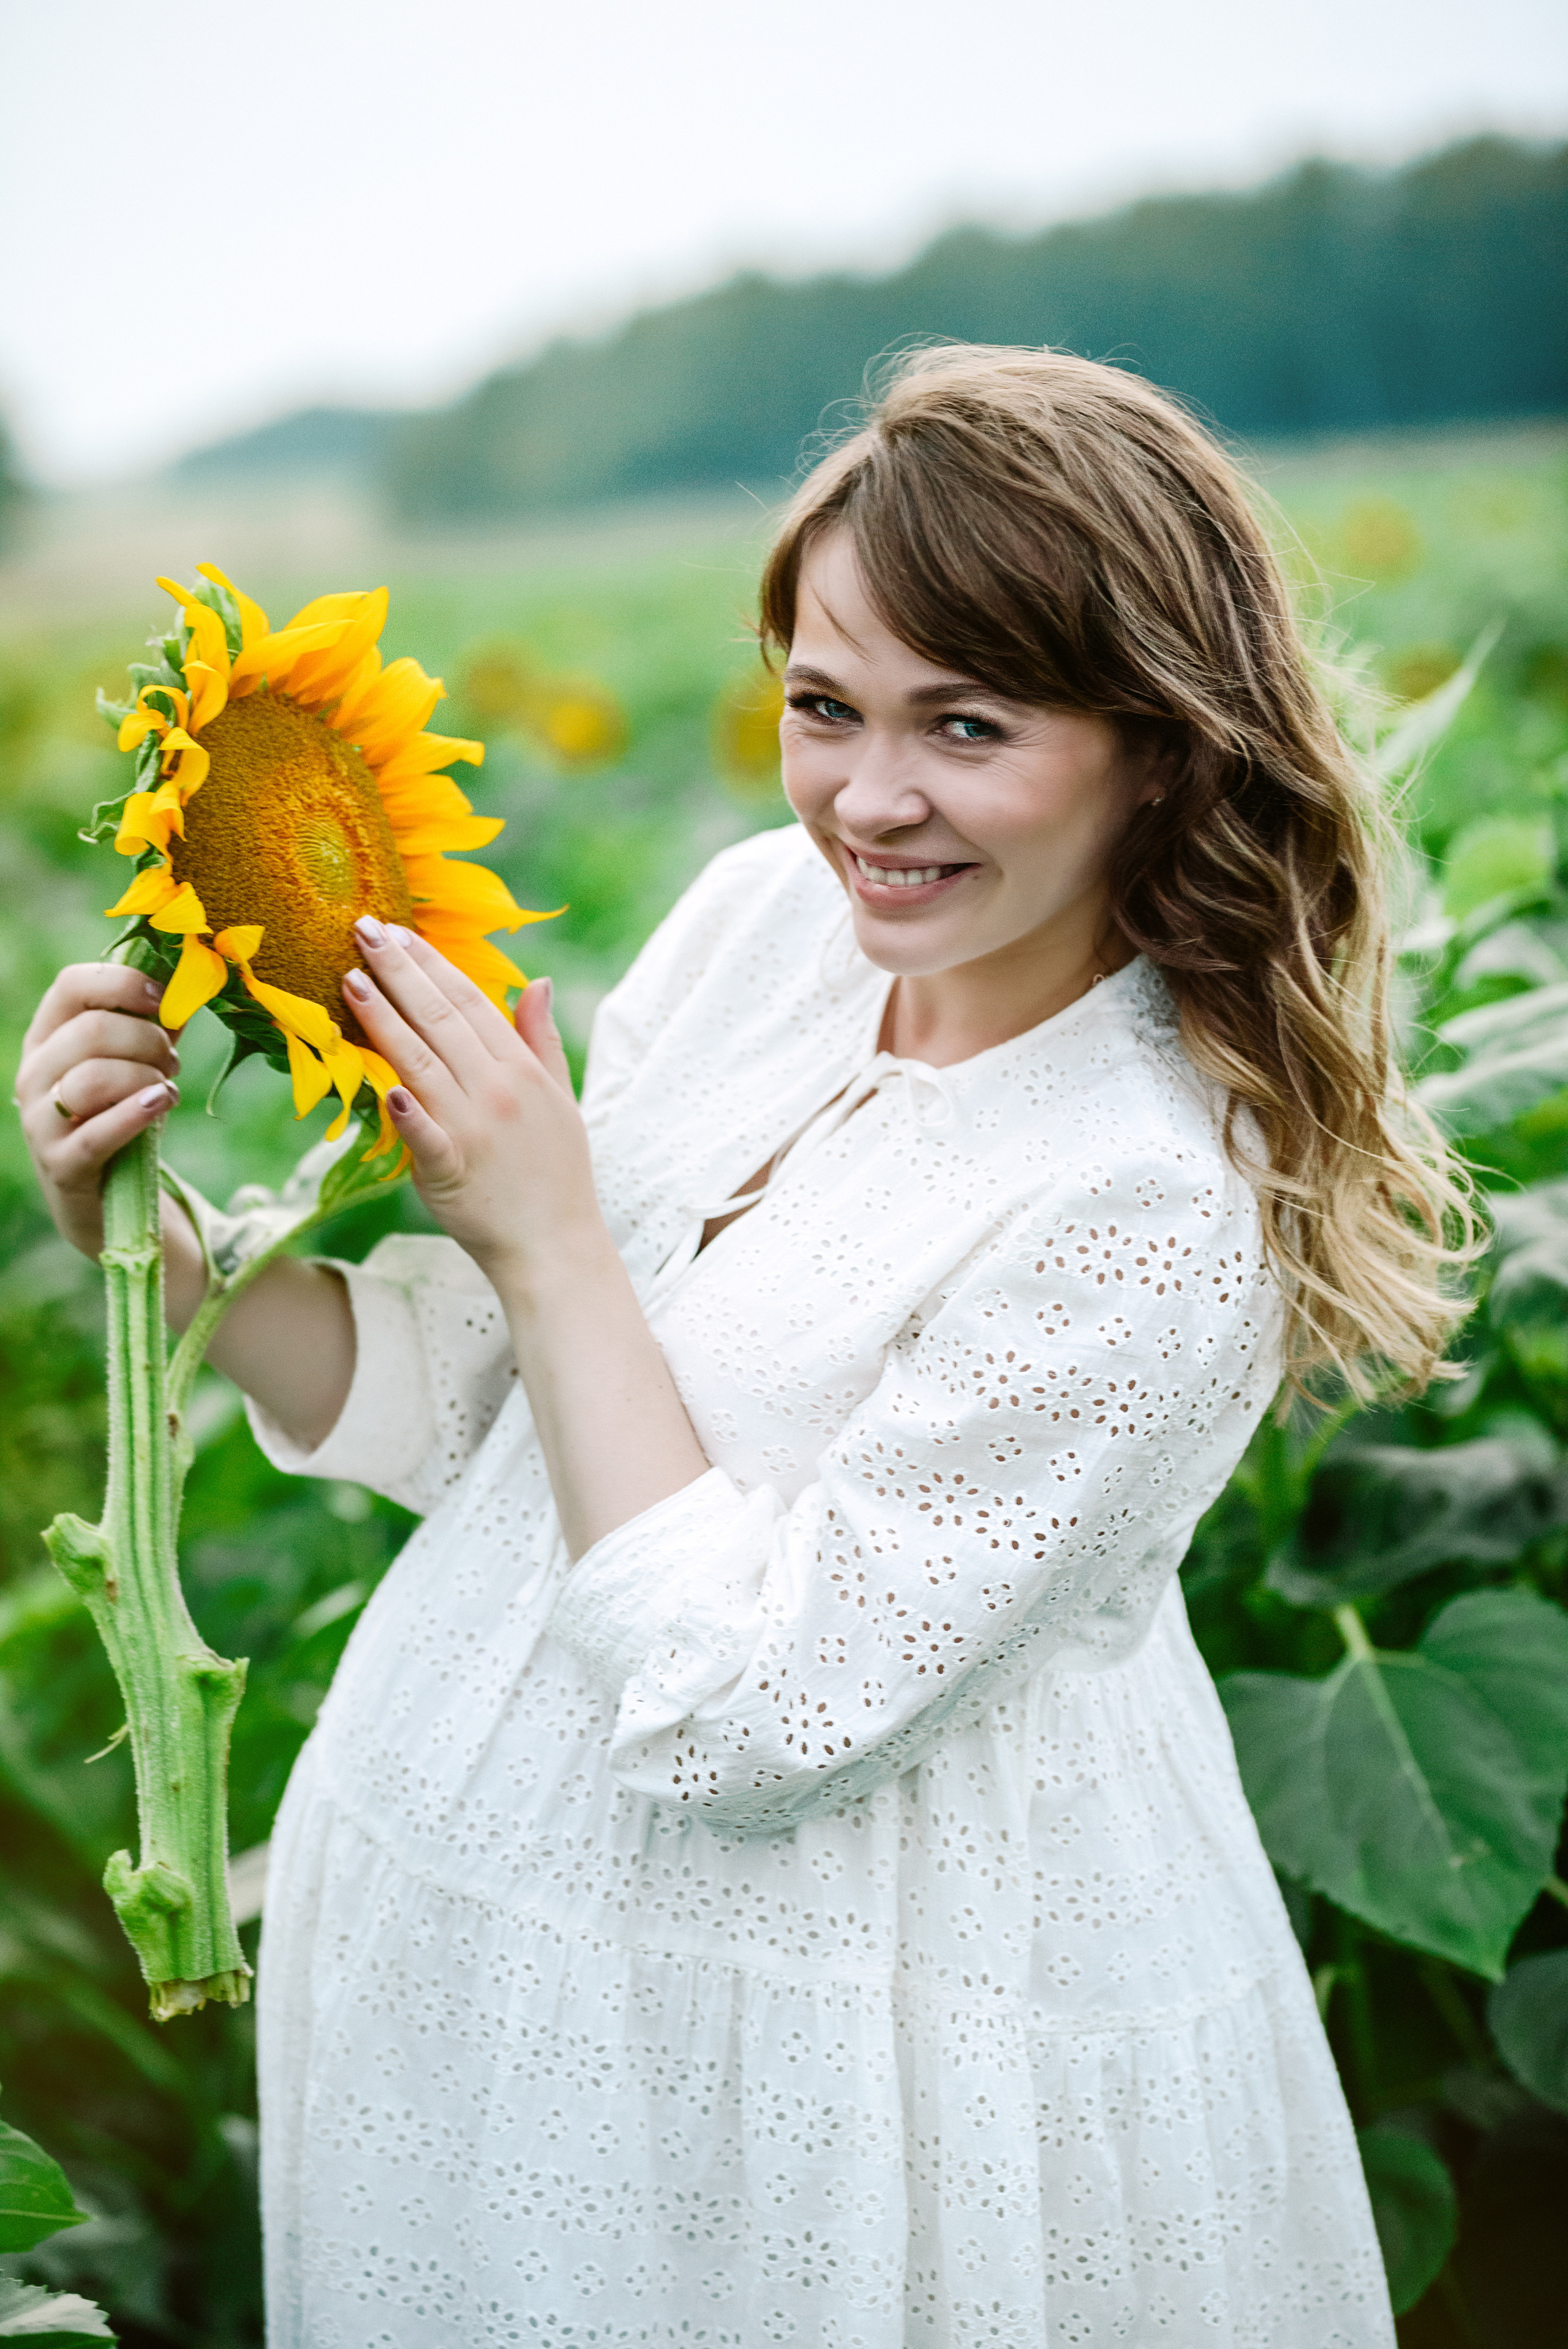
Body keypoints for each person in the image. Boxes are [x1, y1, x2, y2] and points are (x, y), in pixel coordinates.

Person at [17, 346, 1469, 2346]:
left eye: (968, 723)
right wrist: (156, 1243)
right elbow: (491, 1423)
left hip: (814, 2078)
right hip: (486, 2010)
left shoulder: (1144, 1199)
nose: (869, 800)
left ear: (1161, 741)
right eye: (823, 707)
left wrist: (548, 1239)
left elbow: (753, 1712)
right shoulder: (760, 927)